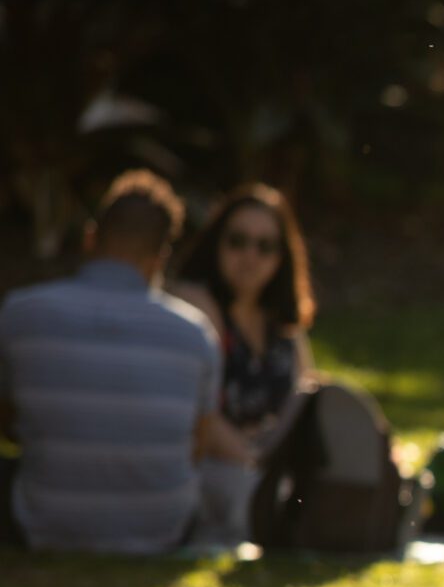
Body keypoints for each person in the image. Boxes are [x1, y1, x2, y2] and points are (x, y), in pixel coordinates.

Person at [0, 170, 252, 555]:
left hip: (43, 522)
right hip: (162, 528)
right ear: (159, 259)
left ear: (90, 237)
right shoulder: (195, 334)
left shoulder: (20, 314)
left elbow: (9, 425)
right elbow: (194, 449)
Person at [169, 183, 318, 547]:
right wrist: (255, 460)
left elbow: (308, 396)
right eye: (238, 241)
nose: (250, 256)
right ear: (216, 243)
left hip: (268, 470)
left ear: (282, 257)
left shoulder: (283, 325)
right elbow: (199, 413)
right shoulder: (197, 306)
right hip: (216, 468)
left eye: (265, 246)